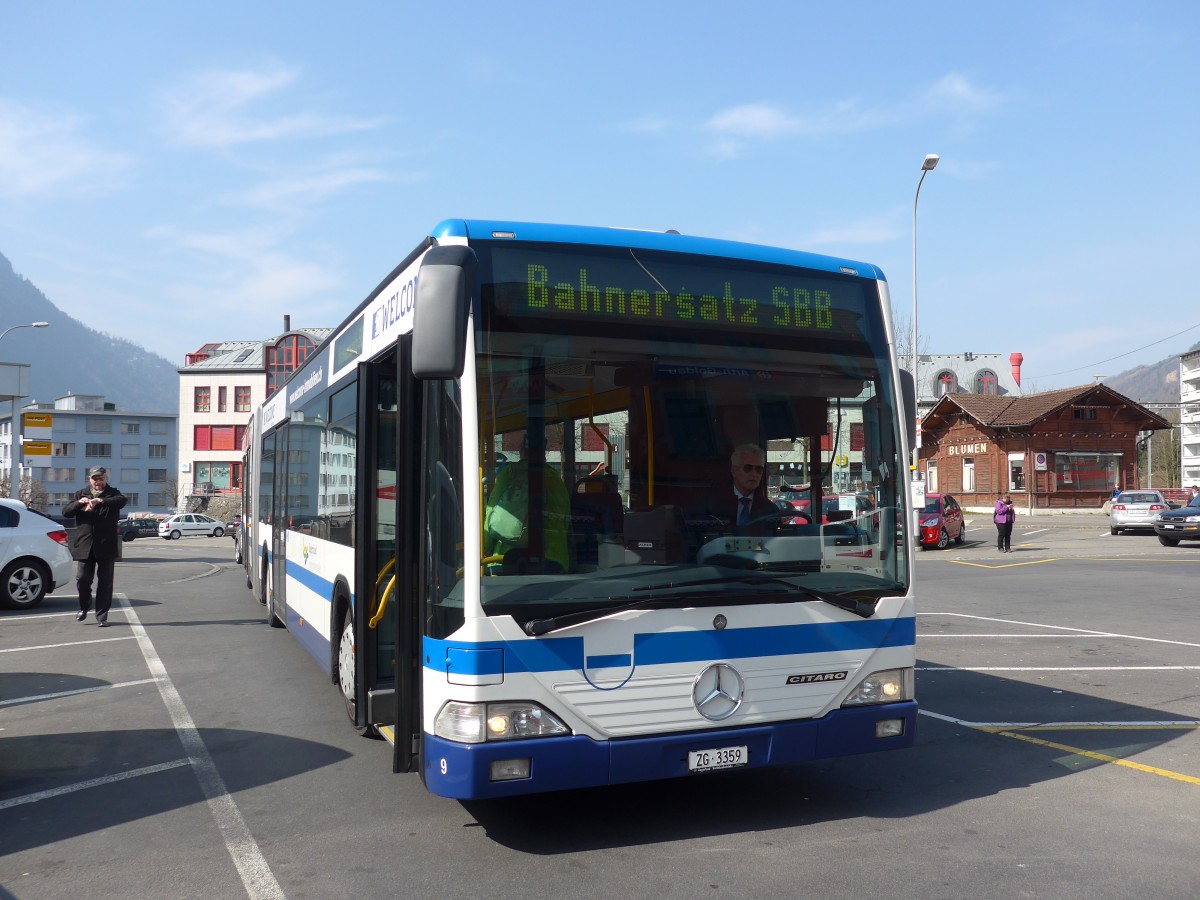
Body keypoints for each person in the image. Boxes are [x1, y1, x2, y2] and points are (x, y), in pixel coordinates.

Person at [483, 439, 571, 574]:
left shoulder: (510, 473)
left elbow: (492, 510)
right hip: (556, 561)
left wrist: (485, 547)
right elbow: (565, 520)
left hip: (510, 559)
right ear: (544, 452)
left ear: (521, 450)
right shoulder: (556, 479)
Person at [63, 466, 128, 626]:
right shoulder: (81, 494)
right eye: (95, 479)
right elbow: (66, 512)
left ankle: (102, 616)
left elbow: (121, 501)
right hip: (85, 545)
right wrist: (79, 503)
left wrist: (99, 500)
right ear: (89, 479)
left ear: (106, 479)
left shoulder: (113, 494)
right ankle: (84, 607)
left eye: (101, 478)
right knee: (83, 580)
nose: (98, 481)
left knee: (105, 583)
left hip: (106, 545)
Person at [706, 443, 778, 531]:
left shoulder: (770, 510)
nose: (754, 474)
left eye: (759, 469)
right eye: (748, 468)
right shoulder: (713, 505)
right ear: (734, 471)